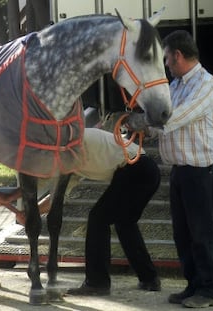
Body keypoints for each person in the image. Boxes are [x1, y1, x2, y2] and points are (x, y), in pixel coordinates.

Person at [155, 30, 213, 308]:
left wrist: (146, 121)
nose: (166, 65)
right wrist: (133, 124)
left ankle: (210, 290)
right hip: (183, 170)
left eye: (167, 59)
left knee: (202, 231)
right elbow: (160, 119)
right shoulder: (176, 85)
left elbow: (175, 117)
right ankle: (194, 284)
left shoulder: (206, 85)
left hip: (203, 168)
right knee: (183, 233)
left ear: (177, 55)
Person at [65, 126, 162, 296]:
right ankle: (149, 278)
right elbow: (56, 198)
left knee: (98, 218)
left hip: (135, 168)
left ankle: (97, 282)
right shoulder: (72, 152)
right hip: (147, 169)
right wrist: (29, 210)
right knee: (125, 223)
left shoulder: (76, 143)